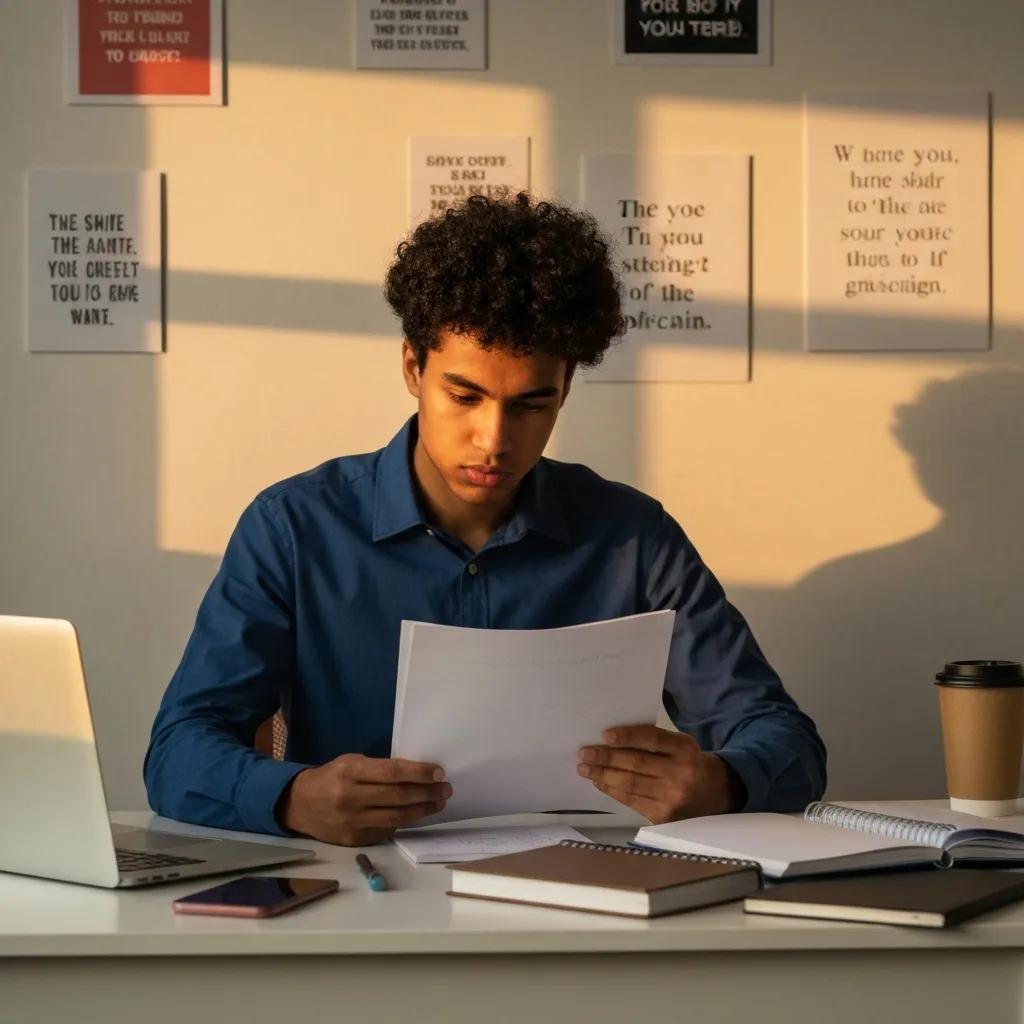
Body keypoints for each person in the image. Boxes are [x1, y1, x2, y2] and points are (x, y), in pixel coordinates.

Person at [144, 192, 826, 847]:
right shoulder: (293, 528)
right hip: (360, 898)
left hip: (584, 895)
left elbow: (784, 741)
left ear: (564, 389)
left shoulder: (633, 537)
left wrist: (722, 782)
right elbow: (178, 750)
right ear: (414, 366)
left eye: (531, 406)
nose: (494, 440)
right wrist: (292, 798)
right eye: (464, 396)